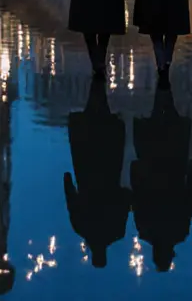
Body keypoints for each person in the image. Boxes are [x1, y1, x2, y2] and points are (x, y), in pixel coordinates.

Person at [130, 83, 192, 273]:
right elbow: (137, 198)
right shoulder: (144, 229)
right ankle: (163, 81)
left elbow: (189, 198)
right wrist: (136, 170)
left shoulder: (179, 232)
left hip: (173, 164)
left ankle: (164, 84)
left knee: (168, 117)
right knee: (158, 118)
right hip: (152, 161)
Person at [63, 77, 131, 268]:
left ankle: (98, 79)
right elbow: (70, 196)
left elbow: (125, 198)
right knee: (93, 115)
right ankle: (97, 80)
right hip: (87, 161)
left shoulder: (117, 230)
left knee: (102, 115)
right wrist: (67, 180)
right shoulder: (80, 226)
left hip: (108, 163)